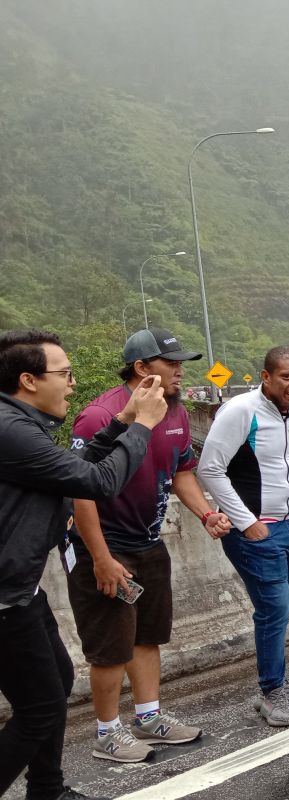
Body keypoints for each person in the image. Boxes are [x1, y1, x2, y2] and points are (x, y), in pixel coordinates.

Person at [0, 329, 166, 800]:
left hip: (21, 590)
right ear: (29, 380)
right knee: (39, 707)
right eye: (65, 374)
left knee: (57, 682)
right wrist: (143, 426)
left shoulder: (21, 425)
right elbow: (96, 481)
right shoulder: (9, 430)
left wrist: (122, 421)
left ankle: (47, 789)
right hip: (4, 598)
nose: (72, 384)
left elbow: (72, 466)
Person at [67, 329, 226, 764]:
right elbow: (80, 492)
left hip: (149, 541)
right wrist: (100, 558)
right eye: (170, 362)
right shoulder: (100, 416)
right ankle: (106, 733)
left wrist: (206, 514)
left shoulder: (174, 412)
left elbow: (182, 472)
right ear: (141, 368)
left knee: (146, 636)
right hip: (105, 545)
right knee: (110, 646)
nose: (179, 370)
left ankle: (148, 716)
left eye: (181, 363)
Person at [197, 346, 289, 727]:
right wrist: (246, 521)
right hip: (256, 533)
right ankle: (271, 692)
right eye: (287, 376)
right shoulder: (240, 411)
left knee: (282, 609)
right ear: (266, 377)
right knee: (273, 610)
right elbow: (210, 469)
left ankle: (278, 680)